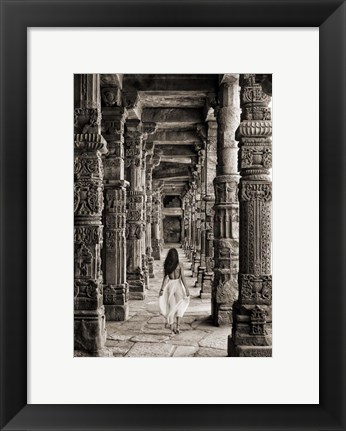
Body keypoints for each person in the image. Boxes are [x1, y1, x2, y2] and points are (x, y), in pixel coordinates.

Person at [159, 248, 190, 334]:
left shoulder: (167, 265)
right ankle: (178, 326)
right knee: (180, 305)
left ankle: (172, 324)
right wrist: (186, 289)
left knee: (171, 306)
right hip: (178, 286)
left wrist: (162, 289)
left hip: (170, 286)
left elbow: (165, 278)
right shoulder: (180, 265)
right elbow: (183, 278)